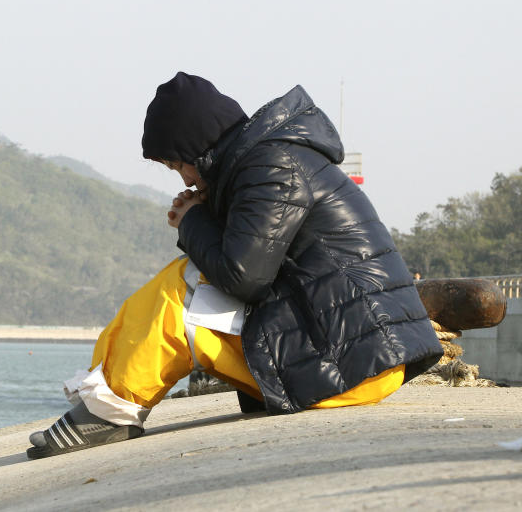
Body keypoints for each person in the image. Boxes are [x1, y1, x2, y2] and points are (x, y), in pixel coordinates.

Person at [26, 72, 443, 459]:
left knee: (181, 292)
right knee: (186, 280)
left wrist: (193, 222)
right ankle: (105, 399)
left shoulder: (272, 167)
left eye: (178, 165)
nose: (184, 180)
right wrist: (205, 215)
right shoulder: (267, 161)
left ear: (198, 147)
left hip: (352, 365)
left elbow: (244, 277)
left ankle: (108, 413)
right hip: (353, 353)